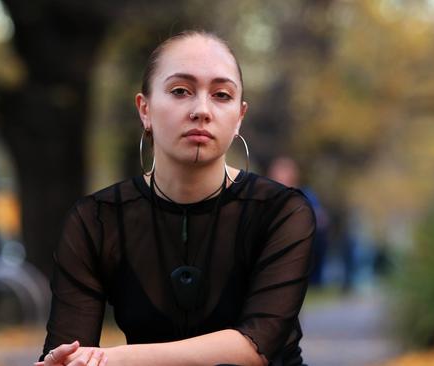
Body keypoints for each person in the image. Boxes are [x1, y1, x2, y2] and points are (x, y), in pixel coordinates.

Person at [36, 30, 316, 366]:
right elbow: (69, 351)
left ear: (240, 117)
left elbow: (256, 346)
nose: (201, 110)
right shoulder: (95, 221)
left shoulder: (281, 212)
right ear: (145, 109)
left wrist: (114, 360)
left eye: (221, 95)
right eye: (180, 91)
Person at [267, 157, 330, 287]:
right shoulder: (267, 195)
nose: (277, 178)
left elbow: (321, 218)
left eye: (281, 174)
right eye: (275, 174)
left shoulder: (303, 194)